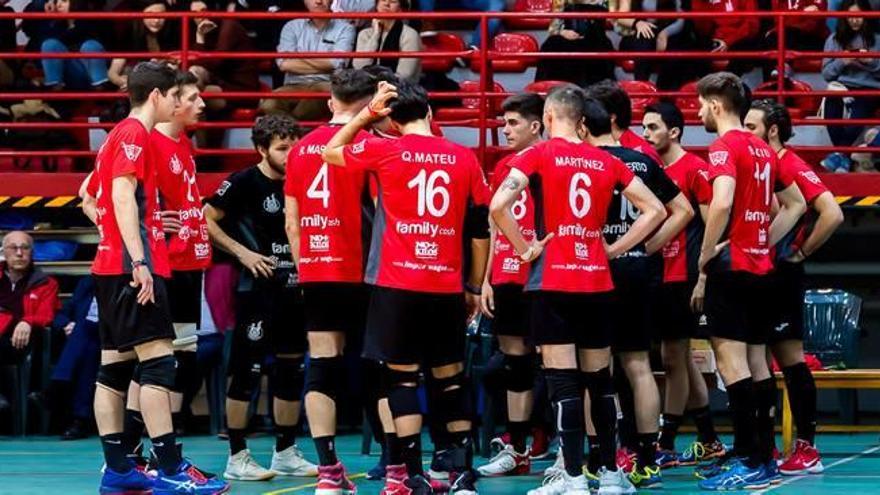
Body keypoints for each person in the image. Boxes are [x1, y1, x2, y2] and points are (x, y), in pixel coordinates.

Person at [491, 86, 666, 495]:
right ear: (582, 121)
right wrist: (614, 248)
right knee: (600, 382)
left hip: (552, 280)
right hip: (596, 280)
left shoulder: (536, 154)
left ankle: (570, 478)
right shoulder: (605, 159)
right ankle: (609, 475)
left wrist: (525, 248)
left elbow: (500, 205)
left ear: (549, 118)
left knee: (563, 384)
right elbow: (656, 210)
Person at [322, 79, 489, 495]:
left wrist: (366, 115)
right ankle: (462, 473)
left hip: (396, 284)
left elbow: (330, 150)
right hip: (444, 284)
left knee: (403, 380)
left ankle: (412, 475)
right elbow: (480, 227)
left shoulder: (384, 148)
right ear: (431, 114)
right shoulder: (463, 156)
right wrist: (473, 283)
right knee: (451, 378)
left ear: (392, 122)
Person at [80, 61, 226, 495]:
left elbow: (102, 196)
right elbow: (120, 195)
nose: (190, 102)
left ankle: (119, 467)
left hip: (111, 267)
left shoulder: (118, 136)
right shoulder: (134, 134)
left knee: (113, 369)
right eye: (180, 95)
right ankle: (170, 470)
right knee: (160, 365)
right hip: (132, 268)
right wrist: (140, 261)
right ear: (160, 96)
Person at [692, 72, 806, 491]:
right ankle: (763, 457)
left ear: (717, 105)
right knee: (758, 364)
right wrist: (762, 239)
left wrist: (706, 255)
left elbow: (721, 202)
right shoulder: (763, 149)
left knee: (732, 364)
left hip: (733, 267)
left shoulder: (724, 146)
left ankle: (748, 458)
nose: (699, 112)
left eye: (702, 105)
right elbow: (790, 204)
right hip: (761, 267)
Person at [584, 86, 694, 489]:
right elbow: (681, 210)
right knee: (640, 366)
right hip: (639, 271)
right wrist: (646, 246)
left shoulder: (587, 163)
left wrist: (613, 248)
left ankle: (598, 460)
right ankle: (647, 458)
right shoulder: (643, 161)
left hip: (596, 270)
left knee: (594, 369)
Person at [203, 115, 318, 482]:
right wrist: (243, 253)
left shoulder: (303, 181)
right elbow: (205, 218)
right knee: (246, 371)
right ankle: (237, 456)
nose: (291, 154)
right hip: (256, 292)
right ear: (261, 149)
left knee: (290, 369)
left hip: (295, 289)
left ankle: (285, 452)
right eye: (282, 148)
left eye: (294, 146)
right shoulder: (242, 182)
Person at [283, 68, 377, 494]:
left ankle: (327, 471)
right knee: (383, 368)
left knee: (322, 366)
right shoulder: (371, 145)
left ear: (330, 102)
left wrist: (307, 267)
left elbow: (291, 220)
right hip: (364, 271)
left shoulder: (300, 148)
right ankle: (397, 469)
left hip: (317, 270)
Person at [744, 99, 844, 476]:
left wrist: (800, 251)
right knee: (758, 359)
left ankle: (807, 449)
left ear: (772, 130)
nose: (745, 132)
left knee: (790, 360)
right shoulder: (760, 165)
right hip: (757, 272)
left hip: (781, 274)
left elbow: (833, 212)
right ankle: (763, 447)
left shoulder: (787, 163)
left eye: (752, 127)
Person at [641, 102, 727, 468]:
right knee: (676, 357)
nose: (646, 135)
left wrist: (704, 274)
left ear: (674, 132)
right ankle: (708, 437)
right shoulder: (647, 167)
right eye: (643, 128)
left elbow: (712, 223)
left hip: (682, 275)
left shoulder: (694, 169)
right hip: (653, 274)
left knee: (674, 357)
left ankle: (668, 441)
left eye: (652, 128)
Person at [476, 92, 545, 478]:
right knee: (514, 361)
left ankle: (565, 447)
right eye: (504, 124)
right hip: (506, 274)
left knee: (557, 362)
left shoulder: (549, 162)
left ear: (536, 125)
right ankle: (517, 447)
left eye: (514, 123)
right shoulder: (503, 167)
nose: (506, 130)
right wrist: (486, 279)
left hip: (542, 274)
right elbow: (493, 224)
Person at [151, 70, 212, 439]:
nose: (201, 104)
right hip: (167, 266)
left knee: (185, 359)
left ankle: (170, 450)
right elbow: (95, 196)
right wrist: (153, 221)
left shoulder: (184, 142)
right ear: (172, 103)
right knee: (161, 362)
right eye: (192, 98)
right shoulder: (147, 142)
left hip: (191, 260)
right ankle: (149, 450)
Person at [259, 0, 356, 120]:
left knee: (320, 94)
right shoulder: (291, 26)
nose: (319, 1)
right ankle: (295, 132)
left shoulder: (345, 28)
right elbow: (284, 64)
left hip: (327, 84)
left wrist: (298, 57)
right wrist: (324, 62)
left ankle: (292, 131)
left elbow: (335, 63)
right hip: (294, 85)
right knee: (269, 104)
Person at [0, 231, 60, 412]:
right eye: (13, 248)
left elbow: (47, 314)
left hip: (24, 344)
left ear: (32, 252)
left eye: (25, 248)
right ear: (4, 252)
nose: (19, 253)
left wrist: (28, 321)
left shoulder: (47, 283)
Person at [47, 275, 99, 440]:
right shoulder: (87, 283)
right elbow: (63, 312)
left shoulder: (125, 283)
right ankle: (80, 419)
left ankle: (55, 387)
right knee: (86, 347)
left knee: (83, 332)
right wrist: (65, 324)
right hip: (87, 342)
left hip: (112, 337)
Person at [821, 0, 880, 146]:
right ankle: (841, 155)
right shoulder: (834, 39)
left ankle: (838, 155)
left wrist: (870, 61)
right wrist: (842, 61)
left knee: (859, 113)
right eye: (850, 16)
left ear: (866, 15)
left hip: (869, 89)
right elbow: (827, 74)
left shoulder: (877, 40)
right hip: (841, 87)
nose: (854, 20)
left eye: (859, 16)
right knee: (831, 109)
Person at [534, 0, 615, 87]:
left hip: (596, 37)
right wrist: (563, 32)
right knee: (550, 44)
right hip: (568, 38)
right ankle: (547, 89)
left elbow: (614, 19)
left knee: (600, 47)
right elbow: (553, 28)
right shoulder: (561, 1)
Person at [615, 0, 692, 89]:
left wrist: (665, 33)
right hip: (639, 32)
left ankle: (663, 93)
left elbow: (681, 18)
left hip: (667, 30)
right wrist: (637, 23)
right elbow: (621, 17)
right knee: (643, 42)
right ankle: (641, 89)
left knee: (677, 51)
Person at [38, 0, 110, 91]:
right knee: (49, 44)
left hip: (89, 69)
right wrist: (49, 18)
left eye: (64, 1)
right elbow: (42, 42)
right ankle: (55, 90)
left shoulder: (91, 21)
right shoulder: (56, 25)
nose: (58, 5)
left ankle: (101, 89)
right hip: (70, 73)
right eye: (57, 2)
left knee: (90, 46)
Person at [107, 1, 180, 92]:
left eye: (161, 15)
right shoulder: (130, 32)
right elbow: (113, 72)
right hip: (138, 82)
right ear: (141, 14)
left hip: (163, 81)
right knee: (128, 72)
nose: (156, 20)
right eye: (150, 14)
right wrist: (121, 81)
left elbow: (178, 63)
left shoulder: (173, 31)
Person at [352, 0, 422, 82]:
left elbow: (405, 75)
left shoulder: (409, 35)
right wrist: (375, 35)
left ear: (400, 9)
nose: (386, 4)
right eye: (383, 0)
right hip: (368, 88)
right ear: (377, 5)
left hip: (400, 89)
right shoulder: (365, 34)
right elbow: (359, 66)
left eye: (393, 1)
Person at [690, 0, 761, 76]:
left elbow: (752, 25)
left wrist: (728, 42)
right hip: (713, 40)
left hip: (739, 40)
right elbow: (702, 30)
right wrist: (703, 3)